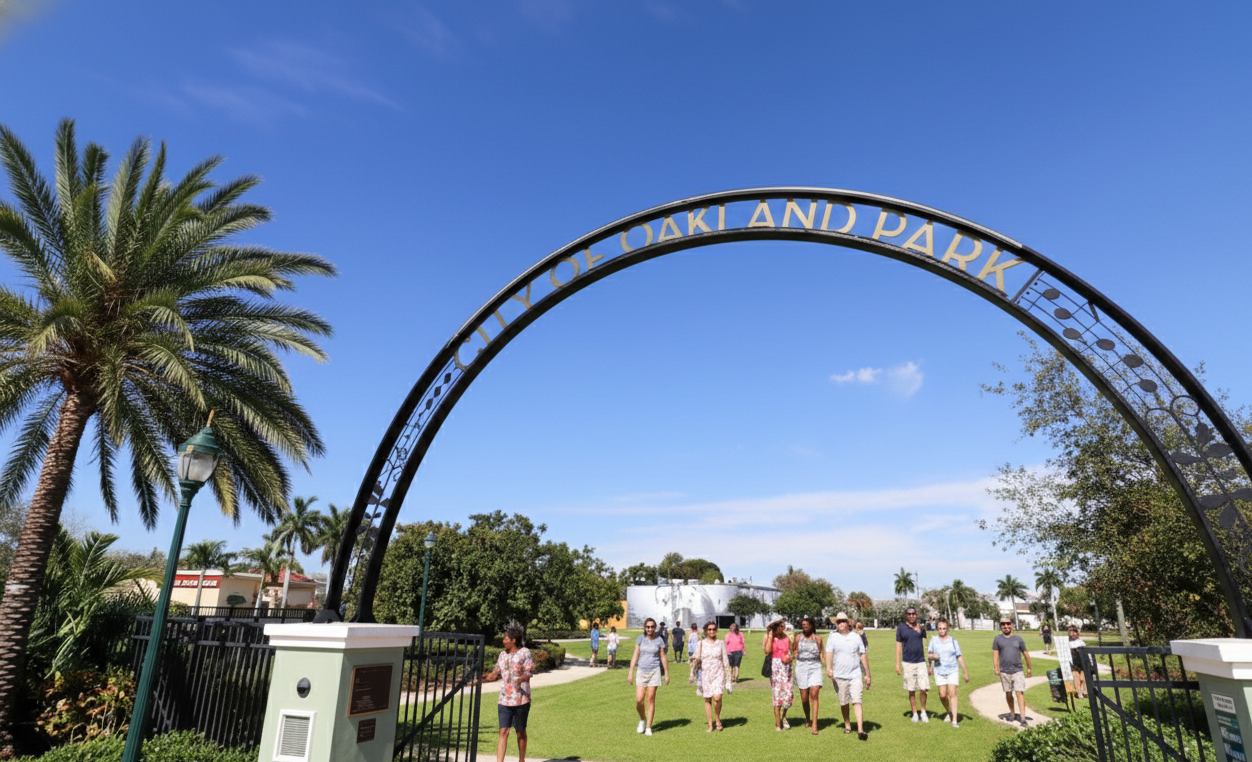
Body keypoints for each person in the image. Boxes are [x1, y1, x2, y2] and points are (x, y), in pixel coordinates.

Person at [484, 626, 534, 762]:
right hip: (504, 699)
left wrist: (520, 679)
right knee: (503, 731)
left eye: (506, 638)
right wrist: (479, 678)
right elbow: (493, 675)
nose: (503, 640)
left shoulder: (524, 652)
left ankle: (521, 760)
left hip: (521, 699)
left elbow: (529, 672)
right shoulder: (502, 655)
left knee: (520, 732)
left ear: (513, 640)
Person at [824, 612, 870, 739]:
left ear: (848, 623)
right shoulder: (832, 637)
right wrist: (828, 668)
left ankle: (861, 730)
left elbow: (863, 655)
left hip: (855, 674)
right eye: (838, 622)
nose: (841, 624)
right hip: (839, 675)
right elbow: (829, 652)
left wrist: (867, 673)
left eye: (843, 621)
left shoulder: (856, 637)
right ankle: (847, 724)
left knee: (857, 700)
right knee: (844, 702)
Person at [628, 618, 671, 735]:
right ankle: (642, 719)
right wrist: (630, 672)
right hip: (641, 671)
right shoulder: (640, 639)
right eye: (648, 627)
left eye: (652, 627)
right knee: (639, 700)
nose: (650, 629)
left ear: (655, 627)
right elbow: (635, 655)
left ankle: (648, 727)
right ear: (644, 627)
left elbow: (663, 657)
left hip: (654, 671)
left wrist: (666, 673)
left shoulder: (659, 640)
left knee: (650, 698)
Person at [927, 619, 970, 728]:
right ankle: (949, 711)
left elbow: (959, 656)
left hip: (952, 670)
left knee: (952, 694)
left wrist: (965, 672)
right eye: (940, 628)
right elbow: (929, 654)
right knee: (942, 695)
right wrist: (930, 666)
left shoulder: (953, 641)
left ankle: (954, 720)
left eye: (944, 628)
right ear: (937, 629)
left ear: (947, 629)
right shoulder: (933, 640)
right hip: (939, 670)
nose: (942, 630)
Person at [993, 617, 1033, 727]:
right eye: (1003, 624)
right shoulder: (997, 639)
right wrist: (996, 667)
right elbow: (995, 654)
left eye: (1008, 624)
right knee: (1008, 693)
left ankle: (1023, 718)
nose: (1006, 626)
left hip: (1018, 670)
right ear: (1001, 626)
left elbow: (1025, 654)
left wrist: (1029, 668)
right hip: (1004, 671)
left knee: (1019, 692)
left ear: (1012, 625)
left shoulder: (1018, 639)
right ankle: (1012, 713)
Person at [692, 621, 730, 731]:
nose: (712, 631)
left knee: (717, 697)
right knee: (707, 698)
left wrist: (728, 678)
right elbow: (696, 658)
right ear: (706, 631)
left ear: (716, 630)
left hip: (718, 672)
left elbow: (725, 660)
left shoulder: (721, 643)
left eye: (713, 629)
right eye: (709, 629)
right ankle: (710, 724)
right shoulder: (701, 643)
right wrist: (696, 661)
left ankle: (717, 718)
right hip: (705, 673)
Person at [896, 606, 930, 722]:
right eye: (909, 614)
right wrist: (897, 663)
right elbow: (898, 645)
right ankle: (915, 713)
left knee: (923, 688)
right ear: (906, 615)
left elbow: (928, 642)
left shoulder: (921, 627)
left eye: (913, 614)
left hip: (920, 661)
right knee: (911, 689)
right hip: (908, 662)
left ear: (916, 615)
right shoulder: (901, 627)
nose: (911, 616)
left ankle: (923, 712)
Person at [792, 615, 825, 735]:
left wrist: (827, 667)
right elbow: (794, 651)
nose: (804, 627)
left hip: (815, 666)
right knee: (804, 697)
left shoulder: (818, 639)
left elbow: (822, 653)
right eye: (803, 626)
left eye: (807, 625)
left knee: (814, 695)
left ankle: (815, 726)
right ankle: (808, 719)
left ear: (812, 626)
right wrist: (792, 657)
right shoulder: (797, 638)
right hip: (801, 667)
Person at [764, 619, 794, 730]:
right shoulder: (770, 637)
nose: (783, 628)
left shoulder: (787, 637)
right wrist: (771, 636)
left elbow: (793, 651)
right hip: (775, 668)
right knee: (777, 696)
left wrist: (790, 657)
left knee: (788, 695)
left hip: (787, 669)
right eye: (781, 626)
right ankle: (778, 724)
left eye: (784, 626)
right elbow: (767, 651)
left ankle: (783, 716)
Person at [1066, 625, 1088, 698]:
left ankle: (1081, 690)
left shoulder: (1081, 642)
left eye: (1074, 631)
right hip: (1073, 662)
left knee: (1082, 678)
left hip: (1082, 661)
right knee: (1076, 677)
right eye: (1070, 631)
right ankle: (1079, 693)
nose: (1072, 633)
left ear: (1077, 633)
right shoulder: (1067, 643)